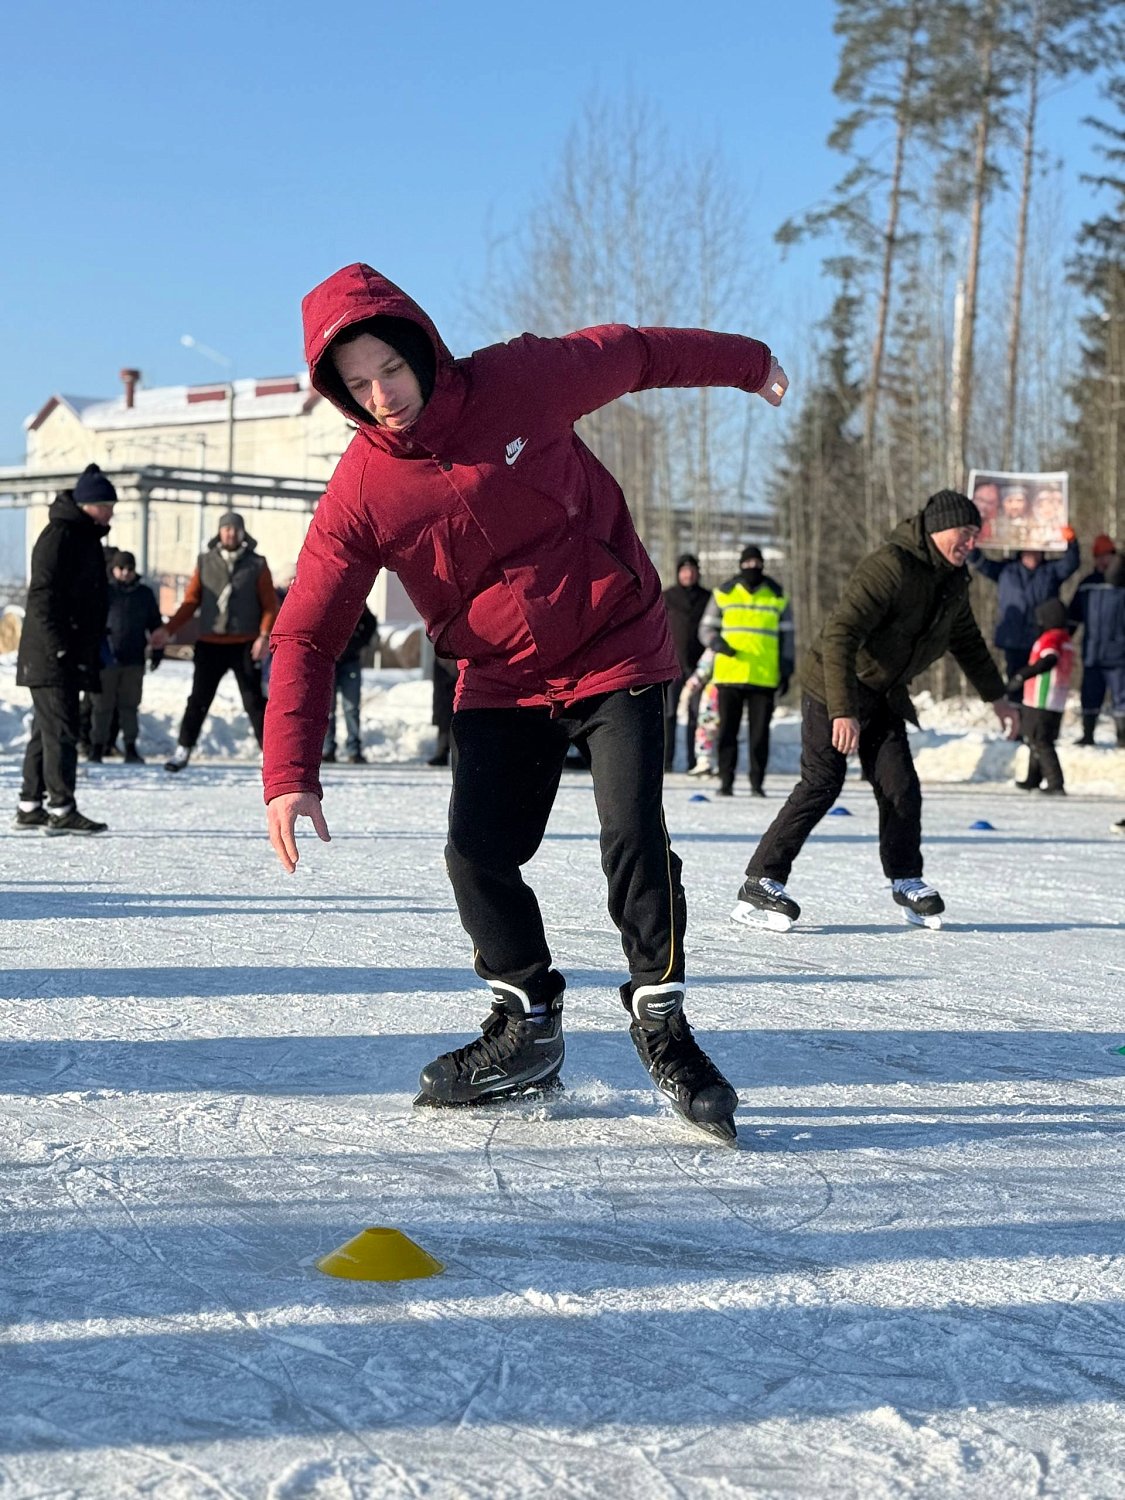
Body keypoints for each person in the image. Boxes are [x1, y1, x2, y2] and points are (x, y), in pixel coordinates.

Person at [264, 261, 789, 1144]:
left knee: (632, 834)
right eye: (356, 387)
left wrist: (749, 362)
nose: (382, 396)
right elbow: (307, 632)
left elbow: (633, 353)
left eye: (389, 369)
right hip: (500, 676)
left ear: (420, 345)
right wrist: (289, 773)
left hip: (613, 641)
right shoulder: (361, 490)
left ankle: (663, 1025)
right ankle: (526, 1023)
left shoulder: (517, 380)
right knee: (476, 855)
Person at [732, 490, 1018, 931]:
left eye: (975, 536)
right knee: (822, 782)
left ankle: (906, 878)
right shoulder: (890, 566)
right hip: (833, 683)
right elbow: (840, 634)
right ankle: (762, 879)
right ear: (939, 528)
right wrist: (843, 710)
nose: (970, 545)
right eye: (965, 534)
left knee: (900, 784)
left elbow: (967, 641)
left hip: (883, 693)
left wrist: (997, 696)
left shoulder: (954, 582)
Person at [14, 464, 116, 834]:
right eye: (106, 504)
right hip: (52, 654)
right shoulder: (60, 536)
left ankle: (30, 804)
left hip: (63, 651)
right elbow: (42, 596)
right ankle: (61, 808)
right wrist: (58, 646)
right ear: (89, 504)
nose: (111, 512)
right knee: (61, 730)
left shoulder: (82, 537)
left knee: (46, 730)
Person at [151, 512, 279, 772]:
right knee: (198, 698)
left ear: (243, 533)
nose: (230, 533)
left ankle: (270, 755)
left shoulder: (256, 564)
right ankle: (183, 749)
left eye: (235, 529)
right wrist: (168, 629)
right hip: (210, 643)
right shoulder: (205, 561)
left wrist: (264, 636)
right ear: (219, 533)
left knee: (253, 700)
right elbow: (190, 602)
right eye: (226, 529)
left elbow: (269, 606)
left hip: (244, 643)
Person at [698, 544, 793, 797]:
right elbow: (705, 629)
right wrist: (718, 644)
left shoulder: (777, 595)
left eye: (757, 563)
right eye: (748, 563)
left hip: (764, 677)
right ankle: (726, 781)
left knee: (759, 736)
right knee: (727, 732)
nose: (753, 567)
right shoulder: (723, 593)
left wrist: (787, 668)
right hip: (729, 675)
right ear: (740, 565)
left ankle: (756, 784)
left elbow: (788, 637)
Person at [969, 528, 1080, 696]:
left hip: (1042, 640)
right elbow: (980, 563)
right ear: (1021, 551)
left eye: (1037, 551)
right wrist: (972, 541)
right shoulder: (1006, 570)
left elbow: (1071, 563)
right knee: (1015, 682)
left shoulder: (1051, 571)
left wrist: (1071, 542)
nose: (1032, 555)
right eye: (1028, 551)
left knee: (1040, 685)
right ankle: (1016, 715)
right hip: (1014, 639)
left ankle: (1036, 718)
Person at [89, 552, 163, 764]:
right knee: (102, 706)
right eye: (121, 568)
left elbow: (155, 624)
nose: (125, 573)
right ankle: (97, 746)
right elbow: (93, 624)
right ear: (113, 569)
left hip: (134, 659)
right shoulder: (104, 592)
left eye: (129, 569)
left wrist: (157, 650)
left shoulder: (144, 594)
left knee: (129, 706)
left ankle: (130, 746)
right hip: (107, 659)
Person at [1006, 598, 1075, 795]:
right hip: (1056, 700)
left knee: (1041, 740)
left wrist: (1022, 675)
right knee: (1036, 739)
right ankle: (1033, 779)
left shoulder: (1052, 638)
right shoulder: (1066, 639)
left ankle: (1055, 783)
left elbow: (1049, 659)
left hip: (1042, 698)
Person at [1069, 534, 1124, 747]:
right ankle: (1088, 734)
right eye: (1098, 557)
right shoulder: (1087, 584)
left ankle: (1122, 738)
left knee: (1122, 697)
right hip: (1092, 652)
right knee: (1090, 695)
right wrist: (1063, 638)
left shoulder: (1122, 583)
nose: (1102, 561)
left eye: (1106, 556)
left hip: (1119, 653)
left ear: (1114, 556)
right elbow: (1074, 615)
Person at [661, 553, 709, 771]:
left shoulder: (708, 598)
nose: (688, 574)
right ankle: (666, 761)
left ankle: (693, 761)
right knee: (669, 712)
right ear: (678, 573)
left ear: (698, 573)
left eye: (692, 570)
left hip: (699, 665)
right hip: (673, 663)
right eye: (684, 570)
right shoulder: (668, 596)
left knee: (695, 714)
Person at [323, 603, 377, 764]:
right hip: (328, 660)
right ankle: (327, 748)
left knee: (351, 708)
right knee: (327, 708)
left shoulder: (352, 596)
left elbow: (370, 623)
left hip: (350, 660)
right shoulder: (324, 599)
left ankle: (353, 749)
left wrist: (357, 644)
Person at [428, 655, 458, 766]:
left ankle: (443, 751)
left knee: (447, 712)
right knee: (444, 711)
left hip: (448, 657)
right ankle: (442, 750)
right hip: (446, 657)